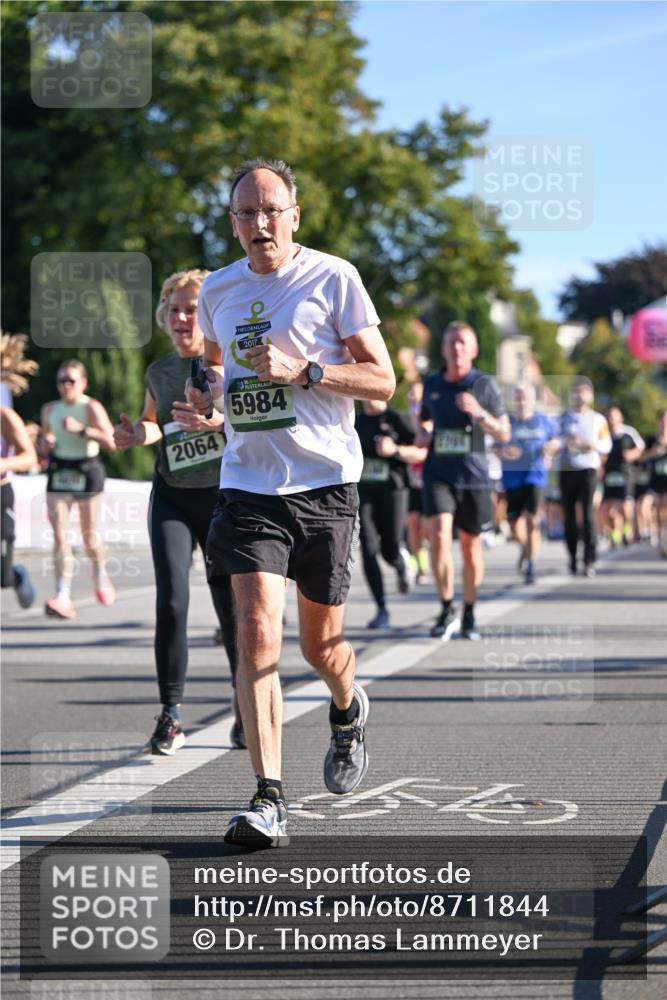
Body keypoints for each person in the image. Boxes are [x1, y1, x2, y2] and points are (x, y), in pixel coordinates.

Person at [186, 157, 395, 848]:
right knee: (254, 633)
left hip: (325, 486)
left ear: (294, 215)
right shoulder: (216, 288)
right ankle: (268, 796)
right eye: (246, 213)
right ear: (233, 223)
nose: (259, 223)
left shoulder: (334, 277)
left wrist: (306, 370)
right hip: (248, 486)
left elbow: (382, 381)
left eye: (271, 209)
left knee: (320, 646)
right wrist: (210, 401)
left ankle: (346, 705)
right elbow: (217, 372)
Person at [114, 269, 241, 754]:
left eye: (192, 309)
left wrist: (215, 421)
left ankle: (244, 705)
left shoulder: (228, 365)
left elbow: (250, 423)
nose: (183, 317)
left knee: (231, 608)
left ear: (208, 315)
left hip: (221, 496)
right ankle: (170, 714)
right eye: (175, 310)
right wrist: (135, 435)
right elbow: (155, 426)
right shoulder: (160, 372)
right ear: (164, 318)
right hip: (170, 491)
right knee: (170, 601)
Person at [417, 322, 510, 640]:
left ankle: (469, 610)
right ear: (443, 349)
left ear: (473, 350)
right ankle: (446, 608)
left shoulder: (483, 384)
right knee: (439, 536)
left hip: (474, 477)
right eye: (451, 342)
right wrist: (424, 431)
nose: (456, 348)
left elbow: (504, 431)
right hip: (438, 473)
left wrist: (480, 414)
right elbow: (425, 419)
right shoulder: (432, 382)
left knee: (470, 548)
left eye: (462, 343)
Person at [41, 360, 116, 618]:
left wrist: (82, 430)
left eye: (71, 381)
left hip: (86, 470)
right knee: (61, 536)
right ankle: (62, 594)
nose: (65, 386)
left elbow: (111, 441)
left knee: (89, 537)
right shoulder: (50, 409)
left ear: (83, 383)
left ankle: (99, 569)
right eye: (61, 381)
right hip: (60, 471)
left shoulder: (91, 407)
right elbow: (45, 441)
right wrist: (46, 442)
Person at [355, 398, 426, 628]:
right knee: (368, 548)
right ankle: (381, 608)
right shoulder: (354, 420)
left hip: (394, 490)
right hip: (363, 491)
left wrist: (395, 450)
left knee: (390, 548)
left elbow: (421, 453)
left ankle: (401, 563)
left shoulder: (398, 419)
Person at [499, 383, 559, 584]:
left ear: (532, 399)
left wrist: (550, 447)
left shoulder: (543, 421)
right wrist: (504, 452)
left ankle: (531, 565)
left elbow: (557, 441)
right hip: (511, 477)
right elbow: (495, 447)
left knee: (532, 520)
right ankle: (525, 547)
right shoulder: (506, 421)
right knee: (514, 525)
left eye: (525, 396)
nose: (521, 400)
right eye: (518, 396)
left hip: (535, 475)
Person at [557, 377, 611, 577]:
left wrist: (591, 444)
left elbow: (607, 445)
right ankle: (572, 557)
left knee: (588, 514)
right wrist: (564, 441)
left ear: (590, 395)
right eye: (576, 392)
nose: (579, 395)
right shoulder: (563, 418)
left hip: (588, 469)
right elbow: (555, 440)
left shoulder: (598, 419)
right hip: (567, 469)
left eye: (583, 392)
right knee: (569, 516)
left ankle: (589, 558)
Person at [1, 332, 39, 608]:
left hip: (1, 494)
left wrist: (3, 464)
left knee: (1, 575)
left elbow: (29, 457)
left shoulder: (5, 416)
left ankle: (15, 574)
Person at [600, 406, 644, 548]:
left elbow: (641, 447)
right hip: (609, 474)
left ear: (620, 418)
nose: (611, 419)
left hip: (625, 474)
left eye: (614, 416)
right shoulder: (604, 434)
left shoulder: (629, 432)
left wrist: (632, 454)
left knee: (626, 506)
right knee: (610, 509)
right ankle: (615, 535)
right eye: (609, 417)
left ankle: (627, 530)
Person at [405, 381, 430, 584]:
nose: (414, 399)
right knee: (412, 524)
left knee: (425, 527)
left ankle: (425, 557)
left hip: (429, 479)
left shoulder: (430, 421)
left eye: (418, 396)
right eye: (411, 395)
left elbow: (425, 442)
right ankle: (418, 564)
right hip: (411, 479)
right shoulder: (404, 420)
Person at [643, 409, 667, 558]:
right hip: (655, 482)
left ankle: (664, 539)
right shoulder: (651, 439)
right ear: (659, 422)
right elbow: (640, 457)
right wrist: (653, 453)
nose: (665, 423)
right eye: (663, 419)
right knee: (657, 512)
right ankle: (659, 537)